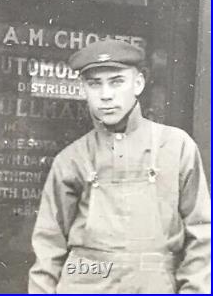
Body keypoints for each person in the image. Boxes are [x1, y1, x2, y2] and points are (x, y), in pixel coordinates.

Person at [28, 39, 211, 294]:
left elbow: (202, 236)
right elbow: (49, 247)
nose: (106, 95)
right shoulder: (71, 159)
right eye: (95, 84)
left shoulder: (176, 147)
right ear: (85, 89)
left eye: (116, 81)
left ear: (138, 83)